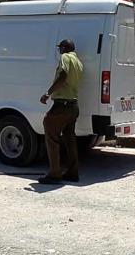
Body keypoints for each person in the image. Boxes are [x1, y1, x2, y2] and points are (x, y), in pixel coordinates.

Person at [39, 39, 83, 184]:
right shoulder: (78, 62)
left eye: (60, 48)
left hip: (62, 105)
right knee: (70, 139)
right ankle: (72, 172)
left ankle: (54, 173)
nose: (59, 51)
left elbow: (63, 76)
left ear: (64, 48)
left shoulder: (65, 57)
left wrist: (48, 93)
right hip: (73, 106)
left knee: (50, 131)